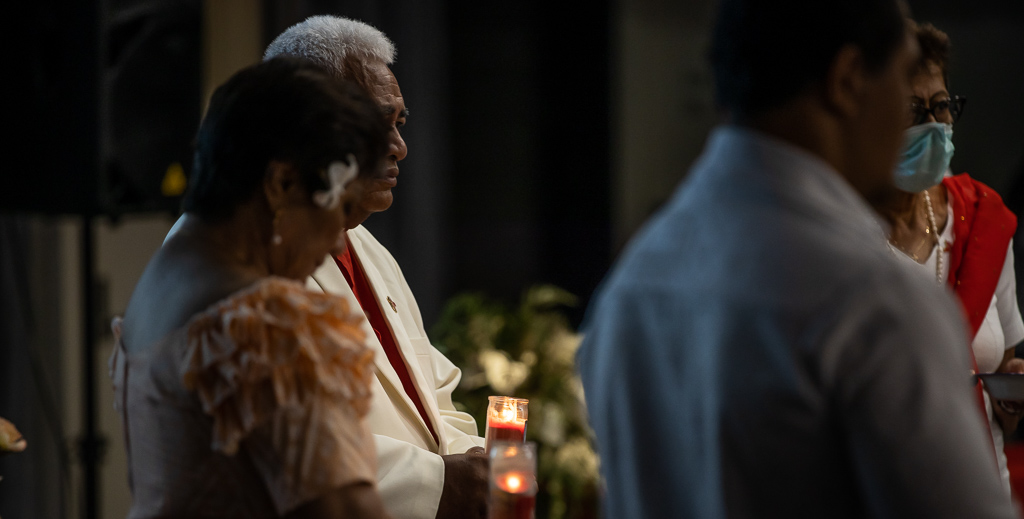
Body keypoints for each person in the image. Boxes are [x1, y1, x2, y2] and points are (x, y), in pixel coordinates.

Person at [576, 0, 1020, 517]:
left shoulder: (634, 283)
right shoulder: (875, 303)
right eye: (901, 85)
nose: (926, 123)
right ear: (849, 79)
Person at [167, 15, 488, 519]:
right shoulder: (225, 262)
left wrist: (473, 464)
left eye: (398, 123)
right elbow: (279, 447)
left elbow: (428, 386)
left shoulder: (362, 244)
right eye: (369, 129)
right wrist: (441, 486)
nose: (398, 148)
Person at [111, 57, 392, 518]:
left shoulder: (159, 281)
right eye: (339, 211)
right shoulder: (265, 325)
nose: (338, 240)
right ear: (280, 183)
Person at [880, 21, 1024, 493]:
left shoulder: (983, 220)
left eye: (942, 106)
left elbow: (999, 363)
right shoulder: (839, 240)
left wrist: (1010, 392)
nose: (934, 126)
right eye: (912, 110)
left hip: (986, 490)